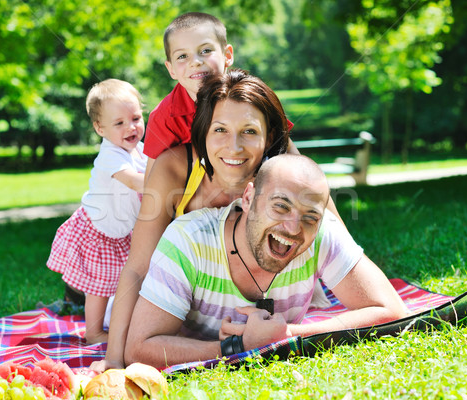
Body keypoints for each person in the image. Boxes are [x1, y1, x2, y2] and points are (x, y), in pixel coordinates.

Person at [124, 155, 409, 368]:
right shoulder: (188, 240)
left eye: (310, 216)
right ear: (248, 198)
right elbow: (139, 349)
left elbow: (391, 309)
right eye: (281, 206)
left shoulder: (322, 232)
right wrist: (238, 346)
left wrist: (288, 334)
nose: (294, 228)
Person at [91, 69, 292, 371]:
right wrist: (114, 359)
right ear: (204, 131)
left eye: (249, 131)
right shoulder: (175, 167)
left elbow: (329, 222)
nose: (234, 146)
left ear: (268, 136)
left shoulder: (281, 162)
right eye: (219, 129)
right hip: (183, 308)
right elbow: (136, 268)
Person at [46, 79, 147, 344]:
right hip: (97, 230)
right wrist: (171, 182)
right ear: (99, 128)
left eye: (135, 118)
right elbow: (136, 181)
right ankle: (93, 332)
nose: (131, 127)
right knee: (99, 287)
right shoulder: (110, 156)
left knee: (124, 280)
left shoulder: (139, 151)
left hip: (119, 229)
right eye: (119, 123)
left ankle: (121, 323)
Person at [143, 12, 297, 178]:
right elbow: (152, 178)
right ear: (171, 69)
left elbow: (290, 153)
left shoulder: (251, 98)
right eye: (182, 56)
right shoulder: (164, 117)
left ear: (227, 55)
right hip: (194, 197)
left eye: (206, 50)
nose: (195, 61)